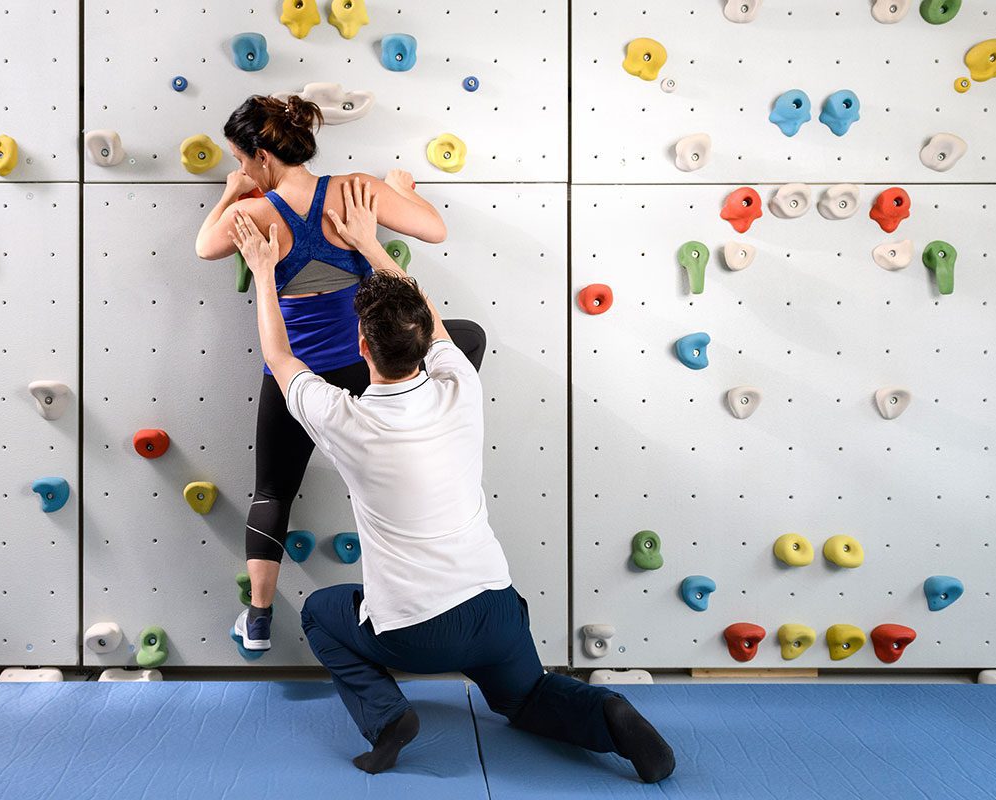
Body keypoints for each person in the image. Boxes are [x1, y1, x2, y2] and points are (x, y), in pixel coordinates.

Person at [228, 200, 677, 783]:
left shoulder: (346, 418)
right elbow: (429, 317)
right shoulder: (459, 383)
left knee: (321, 612)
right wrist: (368, 243)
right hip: (496, 609)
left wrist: (264, 273)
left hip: (417, 631)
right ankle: (607, 716)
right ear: (425, 345)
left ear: (362, 351)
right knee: (526, 697)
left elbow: (279, 357)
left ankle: (389, 720)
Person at [195, 95, 484, 657]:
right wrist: (397, 192)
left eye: (241, 160)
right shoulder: (355, 191)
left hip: (298, 375)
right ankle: (419, 412)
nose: (242, 170)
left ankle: (256, 619)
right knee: (463, 336)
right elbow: (436, 230)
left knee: (273, 490)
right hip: (365, 366)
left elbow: (205, 246)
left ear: (260, 156)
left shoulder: (252, 215)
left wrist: (232, 193)